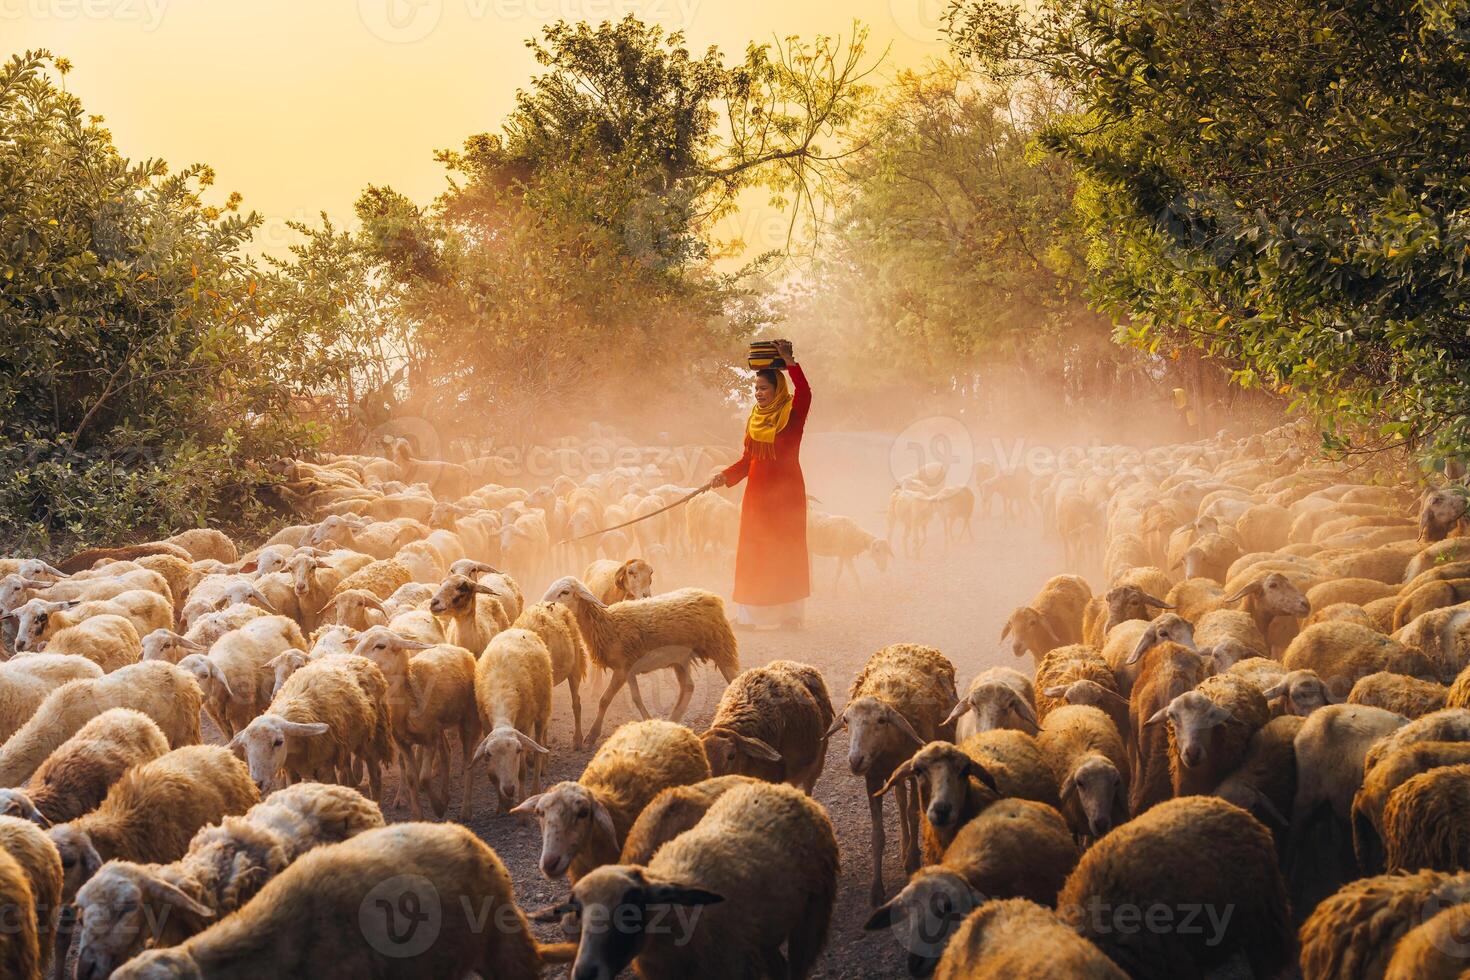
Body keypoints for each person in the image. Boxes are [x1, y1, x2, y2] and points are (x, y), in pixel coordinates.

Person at [700, 339, 812, 630]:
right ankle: (751, 617)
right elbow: (748, 459)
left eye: (764, 388)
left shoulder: (792, 415)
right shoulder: (755, 420)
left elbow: (806, 392)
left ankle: (789, 616)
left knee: (785, 550)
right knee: (755, 550)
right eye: (756, 389)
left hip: (786, 497)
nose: (758, 394)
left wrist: (789, 361)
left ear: (777, 390)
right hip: (757, 499)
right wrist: (724, 476)